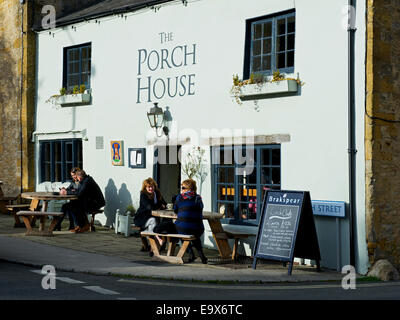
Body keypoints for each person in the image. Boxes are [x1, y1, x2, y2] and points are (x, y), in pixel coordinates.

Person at [154, 179, 208, 264]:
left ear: (189, 189)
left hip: (183, 229)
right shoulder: (198, 198)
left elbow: (175, 210)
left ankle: (191, 254)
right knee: (192, 233)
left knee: (182, 229)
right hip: (199, 229)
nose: (181, 189)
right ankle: (202, 256)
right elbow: (200, 208)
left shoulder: (180, 197)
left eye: (183, 187)